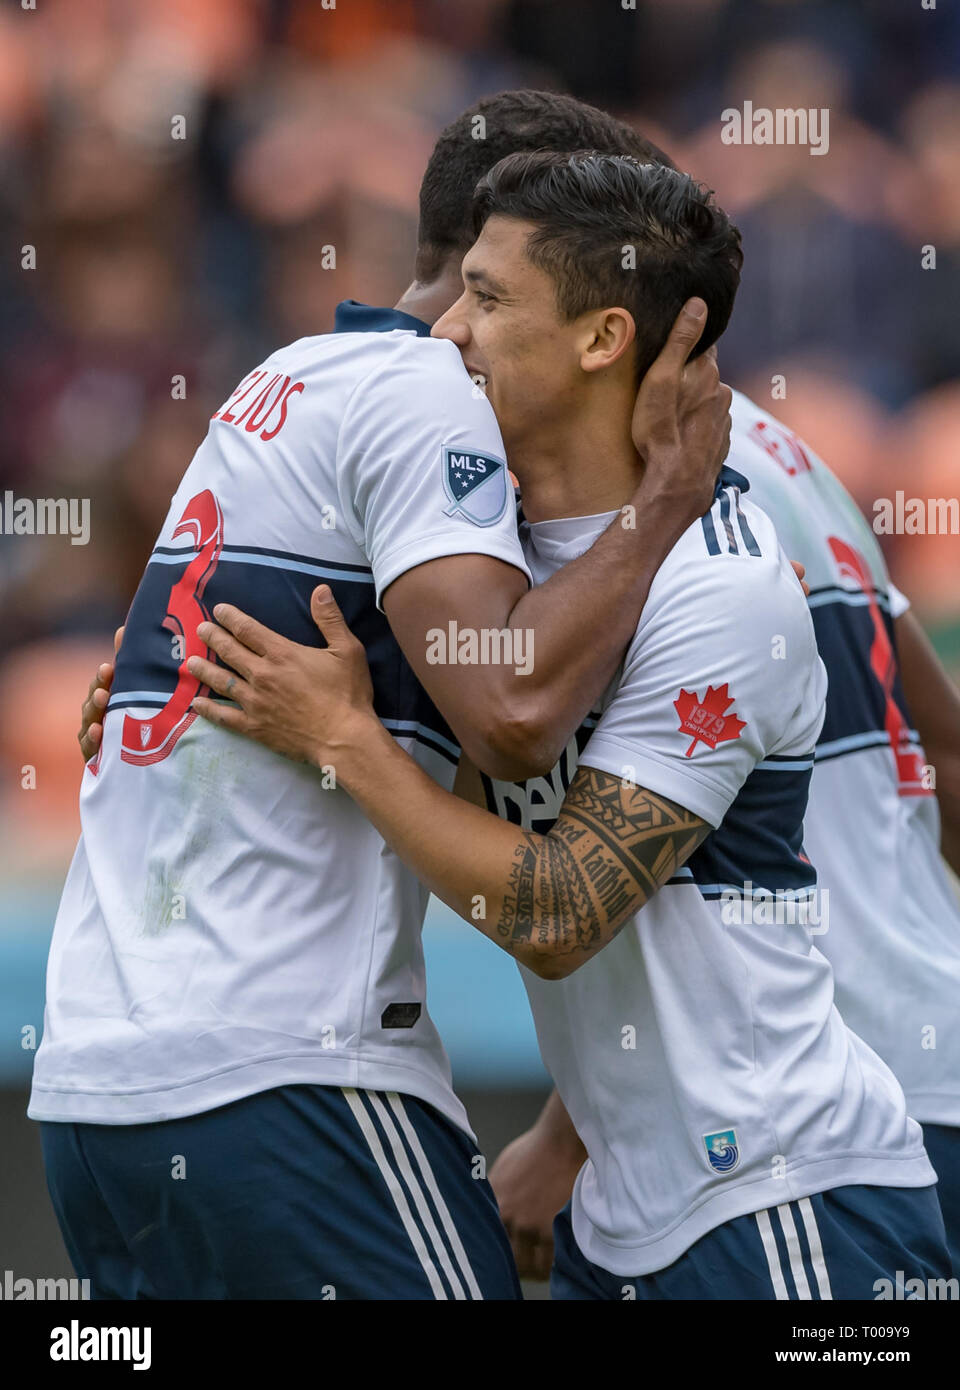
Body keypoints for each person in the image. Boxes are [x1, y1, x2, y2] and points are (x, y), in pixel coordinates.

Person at [166, 150, 949, 1300]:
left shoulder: (719, 585)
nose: (447, 337)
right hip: (625, 1222)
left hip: (785, 1204)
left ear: (601, 338)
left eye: (486, 300)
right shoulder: (505, 586)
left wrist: (346, 743)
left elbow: (559, 908)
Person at [32, 102, 732, 1299]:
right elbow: (512, 708)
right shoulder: (427, 397)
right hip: (287, 1076)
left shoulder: (284, 375)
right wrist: (667, 501)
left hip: (100, 1089)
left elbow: (428, 751)